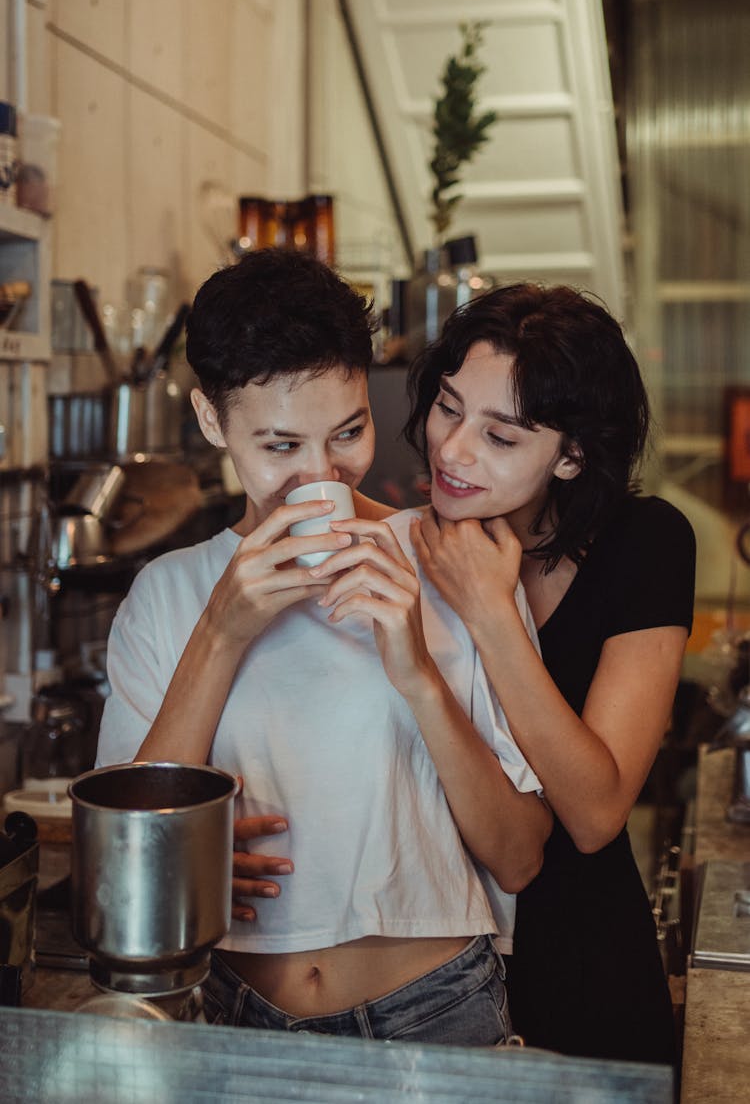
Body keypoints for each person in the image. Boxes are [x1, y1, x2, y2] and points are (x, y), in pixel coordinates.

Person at [95, 247, 551, 1045]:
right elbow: (134, 882)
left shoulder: (455, 562)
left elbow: (517, 858)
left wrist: (416, 672)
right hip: (242, 1021)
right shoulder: (167, 597)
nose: (320, 476)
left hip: (437, 1011)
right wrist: (222, 631)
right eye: (279, 447)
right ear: (211, 420)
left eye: (348, 431)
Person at [402, 282, 696, 1065]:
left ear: (571, 455)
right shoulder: (399, 539)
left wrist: (493, 614)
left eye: (501, 437)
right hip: (423, 979)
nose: (453, 449)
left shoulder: (645, 543)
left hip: (583, 967)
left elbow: (596, 810)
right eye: (449, 406)